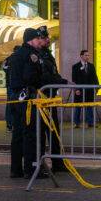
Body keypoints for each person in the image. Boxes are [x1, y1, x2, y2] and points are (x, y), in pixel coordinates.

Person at [9, 28, 47, 179]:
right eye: (38, 39)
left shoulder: (16, 54)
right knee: (30, 134)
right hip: (28, 98)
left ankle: (15, 169)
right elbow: (31, 77)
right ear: (31, 39)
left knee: (17, 134)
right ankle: (30, 169)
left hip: (15, 97)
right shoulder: (31, 55)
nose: (40, 41)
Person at [37, 26, 68, 172]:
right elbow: (46, 77)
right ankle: (42, 163)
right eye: (44, 38)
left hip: (50, 98)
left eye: (47, 37)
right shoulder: (39, 55)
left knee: (54, 132)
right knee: (42, 133)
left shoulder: (47, 54)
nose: (48, 40)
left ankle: (57, 163)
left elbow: (53, 73)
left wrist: (61, 81)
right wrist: (62, 82)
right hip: (42, 99)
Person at [72, 50, 99, 128]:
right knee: (78, 107)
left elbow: (95, 77)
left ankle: (90, 122)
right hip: (79, 90)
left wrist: (96, 87)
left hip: (89, 90)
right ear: (81, 56)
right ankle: (76, 123)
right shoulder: (76, 66)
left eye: (88, 55)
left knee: (89, 106)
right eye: (86, 55)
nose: (87, 57)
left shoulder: (91, 66)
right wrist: (76, 89)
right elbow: (74, 79)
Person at [2, 45, 21, 132]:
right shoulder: (19, 58)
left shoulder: (8, 59)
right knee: (16, 105)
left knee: (10, 105)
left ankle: (10, 125)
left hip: (10, 86)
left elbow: (4, 68)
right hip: (16, 86)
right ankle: (15, 125)